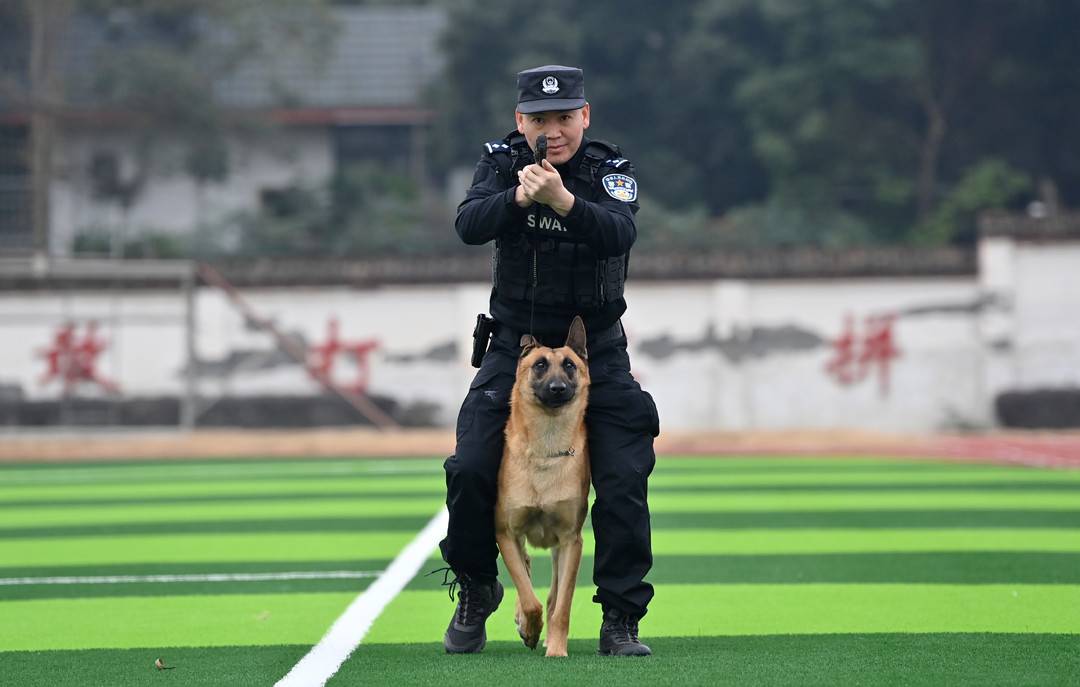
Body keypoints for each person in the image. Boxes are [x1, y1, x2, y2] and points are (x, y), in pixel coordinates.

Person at [438, 65, 659, 657]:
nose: (552, 131)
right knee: (469, 467)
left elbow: (619, 234)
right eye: (539, 119)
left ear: (584, 116)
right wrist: (517, 196)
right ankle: (478, 588)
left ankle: (619, 617)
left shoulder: (608, 169)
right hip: (516, 348)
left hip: (597, 352)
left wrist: (562, 201)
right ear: (520, 121)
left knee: (623, 477)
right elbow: (467, 224)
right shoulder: (501, 162)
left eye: (564, 118)